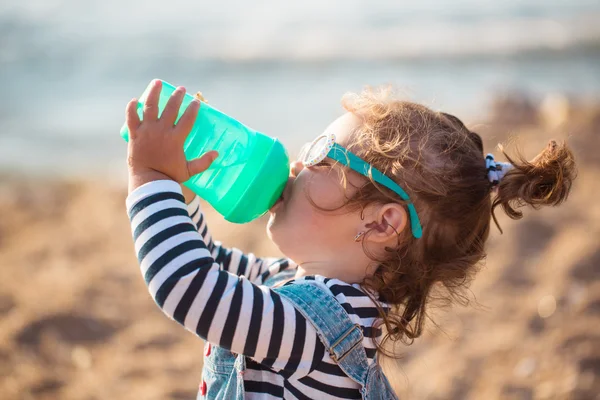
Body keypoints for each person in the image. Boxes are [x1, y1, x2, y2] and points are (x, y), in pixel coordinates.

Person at [124, 80, 576, 399]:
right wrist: (181, 192)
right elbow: (212, 267)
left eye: (321, 156)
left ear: (381, 225)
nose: (297, 165)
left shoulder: (313, 330)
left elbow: (188, 286)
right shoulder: (298, 286)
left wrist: (149, 178)